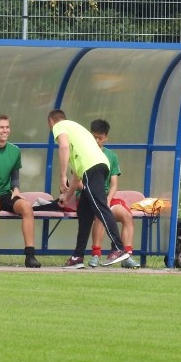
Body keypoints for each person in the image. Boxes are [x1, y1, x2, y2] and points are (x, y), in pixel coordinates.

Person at [46, 109, 131, 269]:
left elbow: (63, 147)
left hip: (94, 168)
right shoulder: (76, 133)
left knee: (100, 206)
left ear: (51, 121)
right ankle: (77, 257)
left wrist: (62, 176)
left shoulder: (60, 126)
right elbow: (78, 175)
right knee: (84, 213)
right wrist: (67, 195)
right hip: (94, 167)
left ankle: (118, 248)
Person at [0, 114, 41, 268]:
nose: (5, 130)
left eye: (7, 127)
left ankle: (30, 256)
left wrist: (16, 189)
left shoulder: (15, 150)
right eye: (1, 127)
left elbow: (15, 176)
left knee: (26, 207)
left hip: (5, 194)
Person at [87, 119, 140, 269]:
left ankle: (126, 255)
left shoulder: (112, 156)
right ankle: (96, 255)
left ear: (106, 138)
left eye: (100, 138)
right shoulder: (84, 153)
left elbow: (114, 184)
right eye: (94, 137)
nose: (97, 141)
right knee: (101, 213)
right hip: (88, 196)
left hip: (105, 197)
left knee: (127, 216)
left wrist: (108, 200)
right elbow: (78, 181)